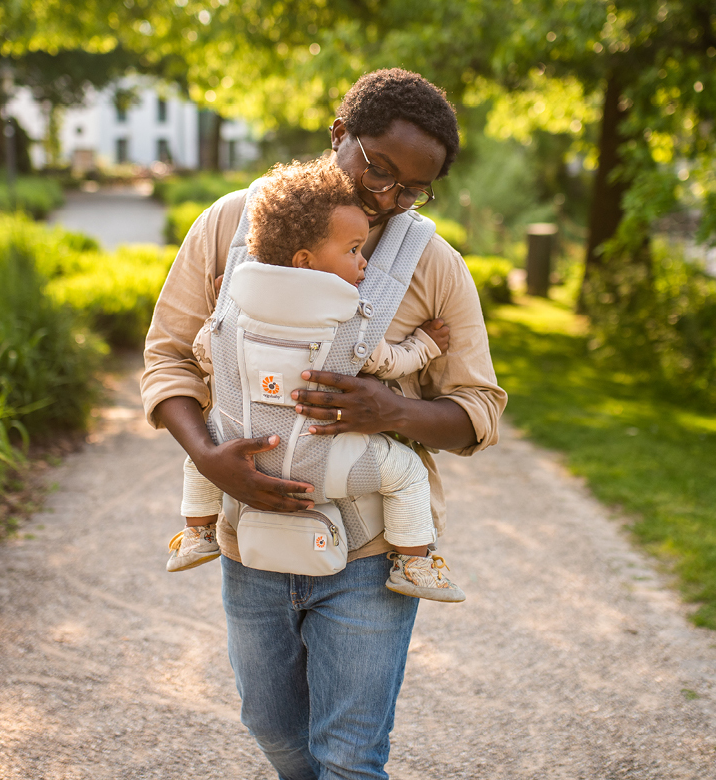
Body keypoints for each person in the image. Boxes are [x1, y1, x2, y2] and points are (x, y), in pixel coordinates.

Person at [142, 68, 507, 780]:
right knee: (274, 731)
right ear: (339, 134)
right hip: (251, 542)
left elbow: (479, 411)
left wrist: (391, 409)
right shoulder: (230, 224)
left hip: (370, 557)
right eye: (378, 170)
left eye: (411, 189)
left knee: (348, 757)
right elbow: (167, 358)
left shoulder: (433, 264)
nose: (387, 199)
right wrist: (208, 457)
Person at [166, 156, 465, 602]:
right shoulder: (351, 319)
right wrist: (425, 345)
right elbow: (389, 363)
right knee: (405, 473)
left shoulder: (232, 306)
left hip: (243, 456)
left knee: (201, 449)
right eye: (353, 251)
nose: (363, 264)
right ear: (305, 261)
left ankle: (197, 530)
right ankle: (415, 563)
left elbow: (203, 353)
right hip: (320, 466)